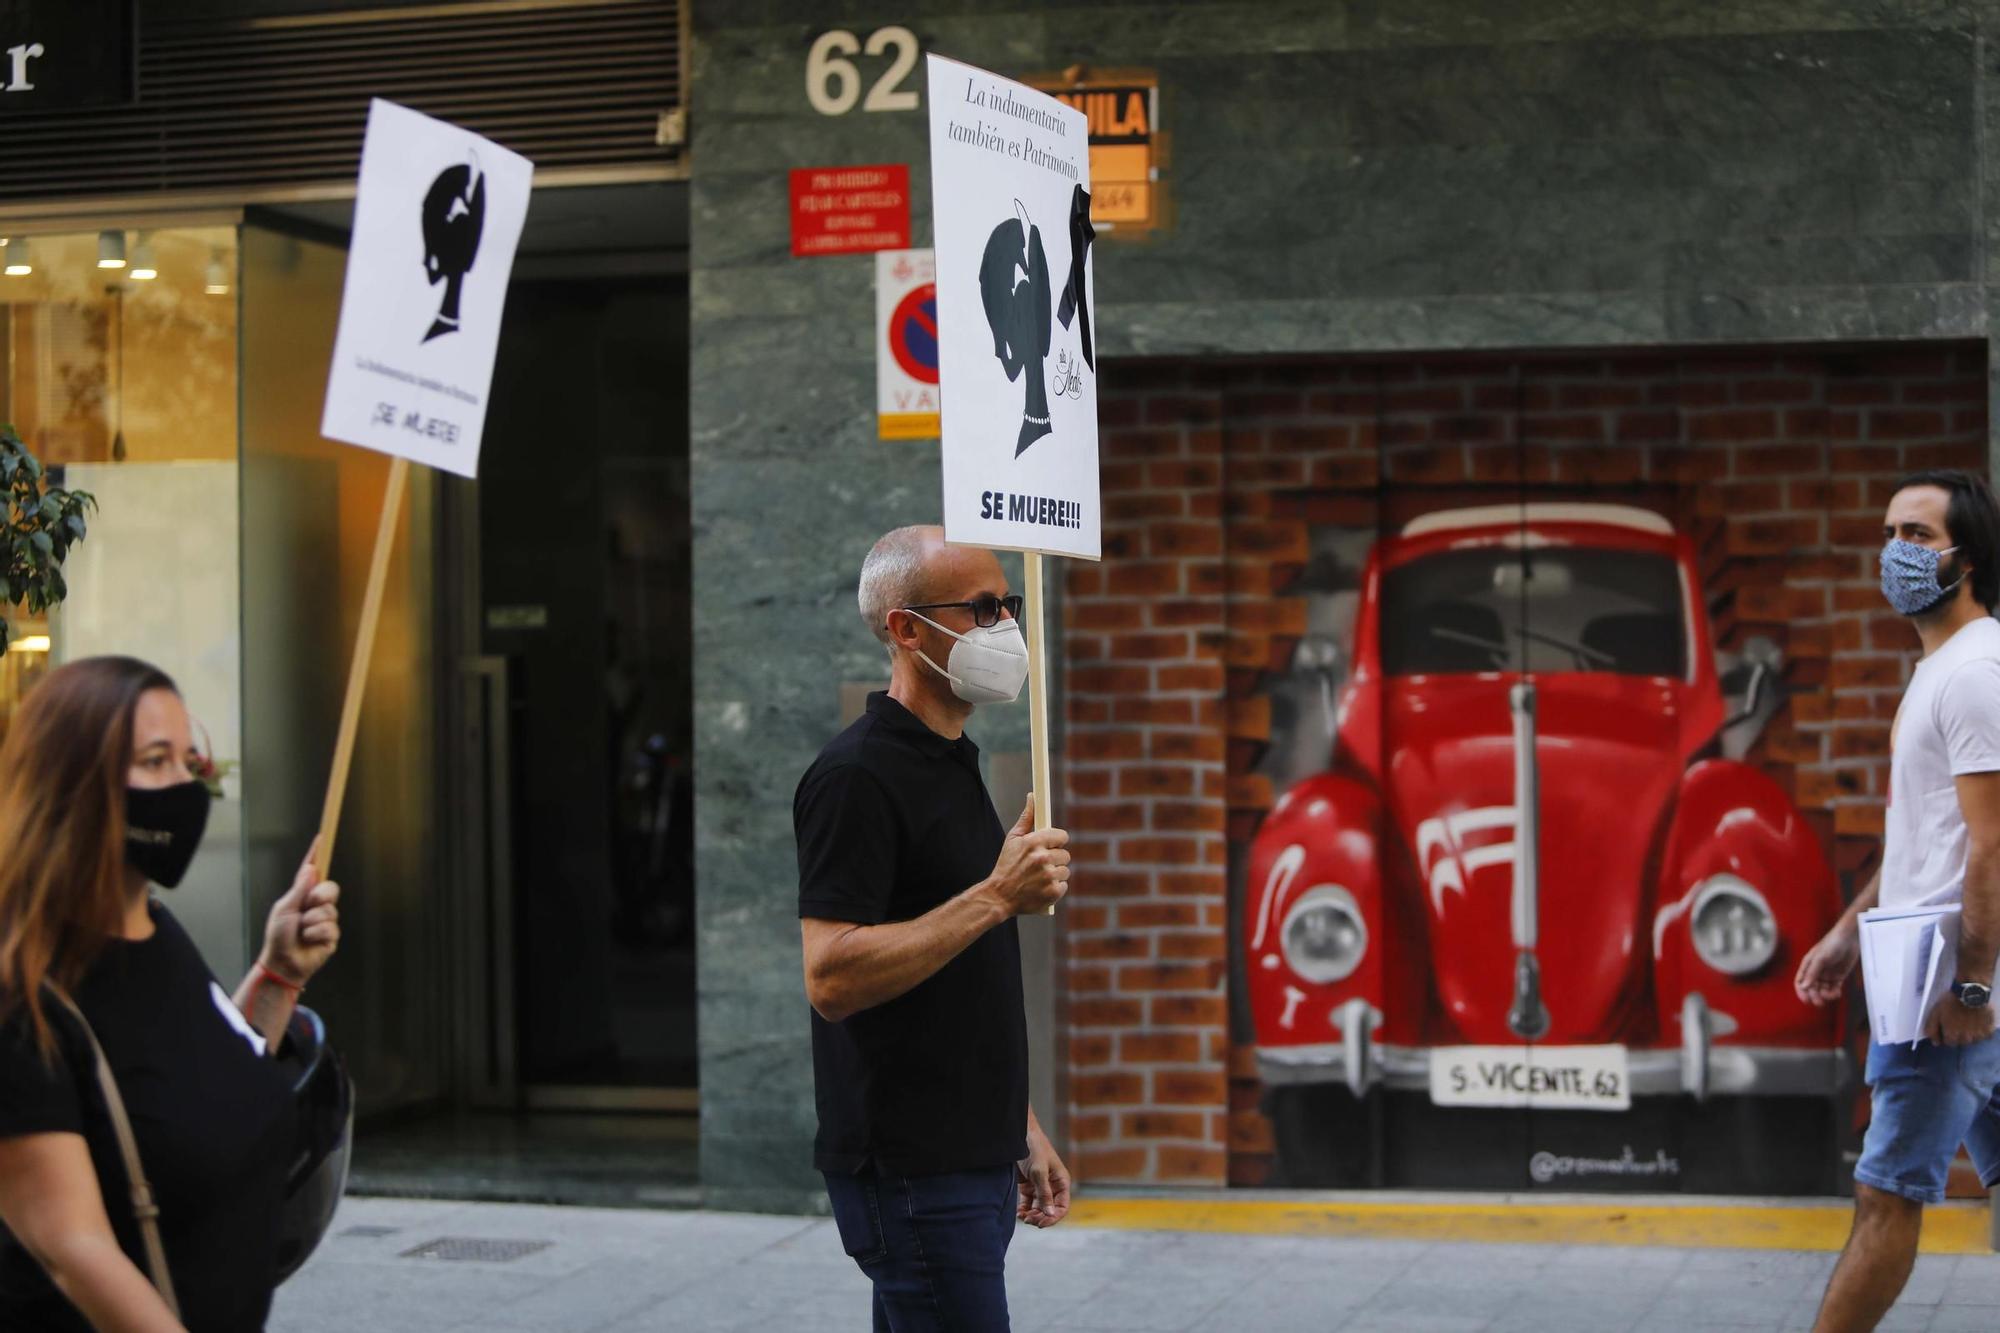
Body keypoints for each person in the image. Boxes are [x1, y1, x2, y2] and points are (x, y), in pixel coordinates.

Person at [0, 657, 342, 1332]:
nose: (183, 788)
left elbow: (195, 1084)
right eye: (155, 762)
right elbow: (75, 1249)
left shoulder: (157, 932)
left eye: (190, 762)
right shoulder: (21, 993)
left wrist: (278, 970)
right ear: (72, 781)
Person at [796, 525, 1072, 1331]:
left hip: (971, 1154)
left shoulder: (952, 759)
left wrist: (1016, 1123)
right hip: (914, 1169)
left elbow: (963, 977)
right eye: (983, 608)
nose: (1005, 627)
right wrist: (994, 894)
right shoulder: (856, 776)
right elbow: (831, 976)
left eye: (1009, 605)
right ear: (906, 629)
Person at [1797, 470, 2000, 1332]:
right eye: (1890, 532)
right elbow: (1932, 835)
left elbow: (1994, 841)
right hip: (1959, 982)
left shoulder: (1974, 676)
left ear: (1970, 556)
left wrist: (1972, 985)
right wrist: (1850, 925)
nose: (1896, 551)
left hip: (1945, 996)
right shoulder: (1947, 669)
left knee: (1885, 1195)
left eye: (1917, 535)